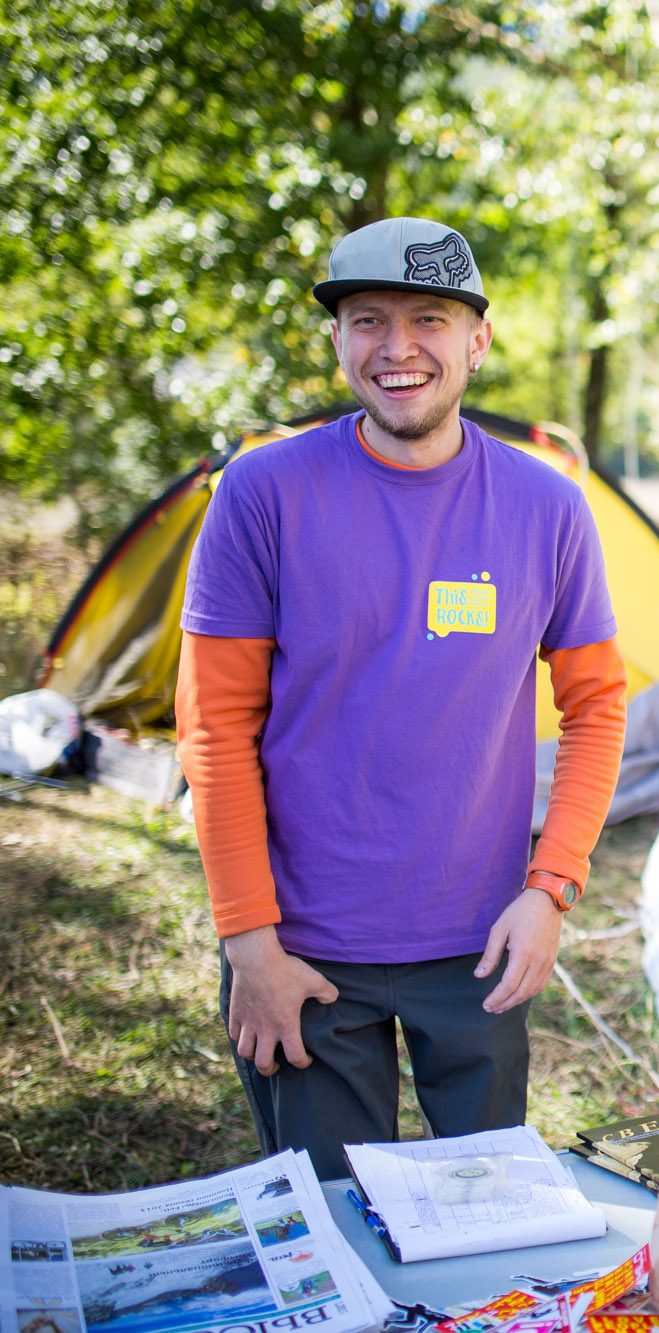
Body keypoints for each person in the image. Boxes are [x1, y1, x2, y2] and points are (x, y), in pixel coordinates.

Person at [175, 217, 628, 1178]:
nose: (399, 348)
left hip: (483, 947)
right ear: (337, 339)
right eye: (369, 319)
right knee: (335, 1231)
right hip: (301, 951)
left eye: (430, 317)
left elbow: (596, 706)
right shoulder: (262, 492)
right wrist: (248, 940)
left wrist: (552, 890)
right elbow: (213, 727)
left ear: (479, 339)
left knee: (490, 1235)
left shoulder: (549, 507)